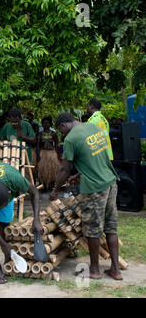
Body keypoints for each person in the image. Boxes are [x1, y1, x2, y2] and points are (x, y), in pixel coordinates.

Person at [49, 113, 122, 280]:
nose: (63, 134)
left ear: (63, 126)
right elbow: (94, 159)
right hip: (111, 183)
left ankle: (95, 270)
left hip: (95, 189)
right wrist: (79, 175)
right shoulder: (94, 127)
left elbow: (64, 170)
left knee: (92, 230)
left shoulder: (71, 139)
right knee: (111, 228)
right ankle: (115, 270)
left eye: (62, 131)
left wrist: (55, 190)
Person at [0, 160, 43, 284]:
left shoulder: (15, 180)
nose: (0, 207)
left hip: (5, 176)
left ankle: (7, 258)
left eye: (3, 205)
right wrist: (3, 244)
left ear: (10, 194)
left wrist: (36, 220)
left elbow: (35, 192)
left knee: (5, 223)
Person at [36, 116, 61, 190]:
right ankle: (44, 185)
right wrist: (38, 155)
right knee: (43, 170)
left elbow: (56, 143)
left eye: (47, 123)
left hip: (51, 153)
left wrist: (57, 154)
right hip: (43, 153)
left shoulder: (53, 134)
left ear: (50, 124)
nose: (45, 124)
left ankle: (52, 185)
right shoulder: (40, 134)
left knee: (52, 170)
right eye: (44, 123)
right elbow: (37, 145)